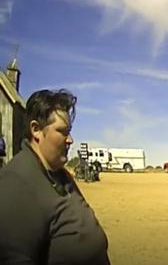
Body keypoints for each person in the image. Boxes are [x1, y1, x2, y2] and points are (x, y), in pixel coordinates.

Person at [0, 89, 110, 264]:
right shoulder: (16, 183)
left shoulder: (59, 173)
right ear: (36, 130)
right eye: (62, 131)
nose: (70, 140)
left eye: (70, 131)